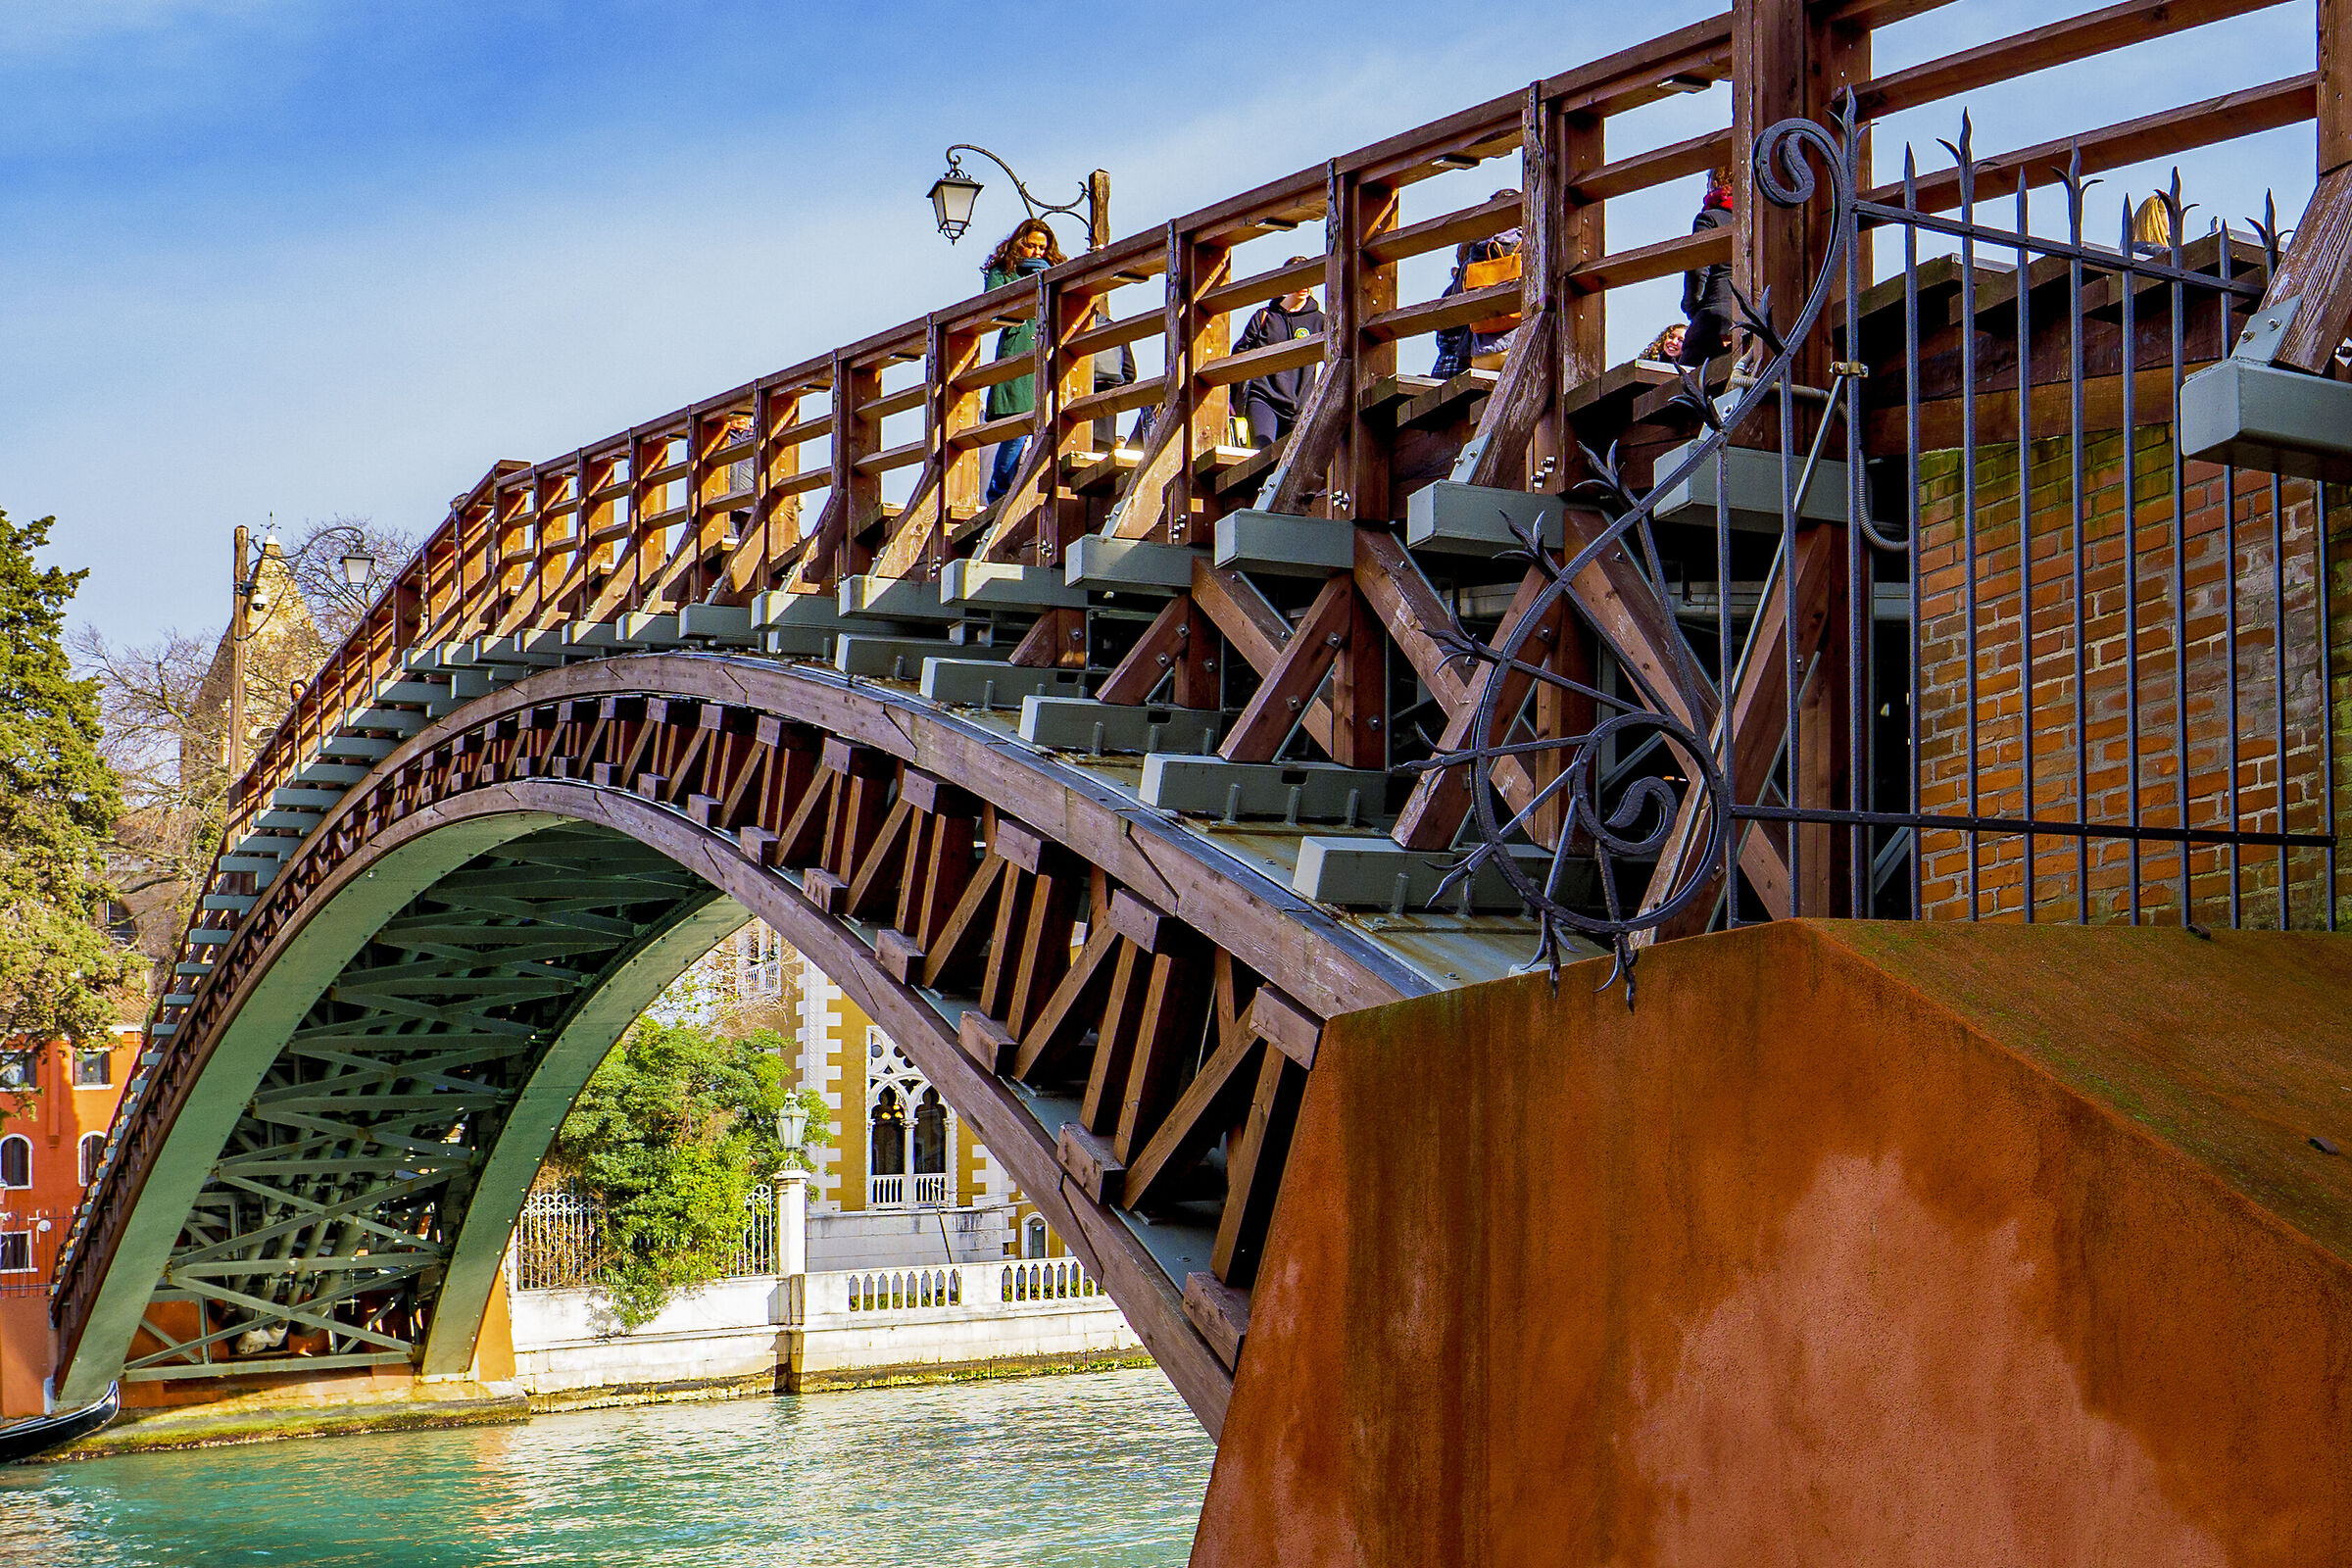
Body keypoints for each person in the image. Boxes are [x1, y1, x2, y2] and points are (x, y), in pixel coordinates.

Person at [980, 220, 1063, 503]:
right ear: (1020, 243)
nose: (1038, 251)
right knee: (1018, 425)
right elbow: (993, 302)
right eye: (1032, 245)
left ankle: (1033, 489)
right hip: (1018, 354)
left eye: (1043, 246)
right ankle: (1000, 493)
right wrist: (1032, 278)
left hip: (1048, 351)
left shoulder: (1055, 272)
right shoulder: (1002, 271)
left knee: (1050, 421)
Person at [1230, 259, 1326, 446]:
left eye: (1308, 278)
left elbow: (1336, 355)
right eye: (1298, 278)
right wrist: (1231, 399)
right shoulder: (1265, 317)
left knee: (1291, 466)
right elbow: (1239, 355)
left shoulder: (1320, 321)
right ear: (1284, 281)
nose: (1304, 285)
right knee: (1262, 453)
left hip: (1299, 405)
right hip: (1264, 398)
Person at [1431, 193, 1524, 378]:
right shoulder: (1531, 246)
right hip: (1520, 348)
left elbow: (1445, 328)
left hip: (1475, 359)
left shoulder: (1477, 257)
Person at [1678, 169, 1737, 369]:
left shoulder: (1709, 218)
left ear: (1714, 183)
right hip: (1748, 320)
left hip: (1713, 317)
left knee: (1686, 386)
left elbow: (1697, 269)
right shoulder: (1754, 219)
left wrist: (1692, 308)